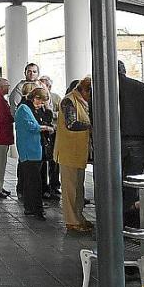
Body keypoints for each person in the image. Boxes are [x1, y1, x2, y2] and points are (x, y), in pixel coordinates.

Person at [54, 77, 94, 233]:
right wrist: (92, 126)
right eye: (90, 94)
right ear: (84, 90)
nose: (90, 98)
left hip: (78, 152)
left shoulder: (81, 102)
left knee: (78, 189)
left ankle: (79, 217)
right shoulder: (69, 101)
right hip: (68, 151)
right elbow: (71, 124)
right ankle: (72, 221)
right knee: (70, 190)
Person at [118, 61, 144, 210]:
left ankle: (113, 215)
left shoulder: (101, 88)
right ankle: (129, 213)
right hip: (138, 140)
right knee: (133, 180)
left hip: (112, 141)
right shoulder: (139, 86)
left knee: (112, 179)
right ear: (124, 70)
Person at [15, 87, 52, 220]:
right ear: (35, 98)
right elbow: (32, 126)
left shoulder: (27, 108)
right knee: (34, 182)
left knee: (30, 181)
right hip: (29, 150)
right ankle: (37, 209)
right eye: (41, 102)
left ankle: (30, 207)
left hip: (32, 150)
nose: (41, 105)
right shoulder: (24, 109)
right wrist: (45, 127)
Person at [39, 75, 62, 198]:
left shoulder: (56, 97)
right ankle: (43, 186)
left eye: (45, 86)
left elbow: (62, 113)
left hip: (55, 131)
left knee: (54, 160)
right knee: (43, 160)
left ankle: (54, 185)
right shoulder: (38, 99)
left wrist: (52, 113)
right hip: (43, 132)